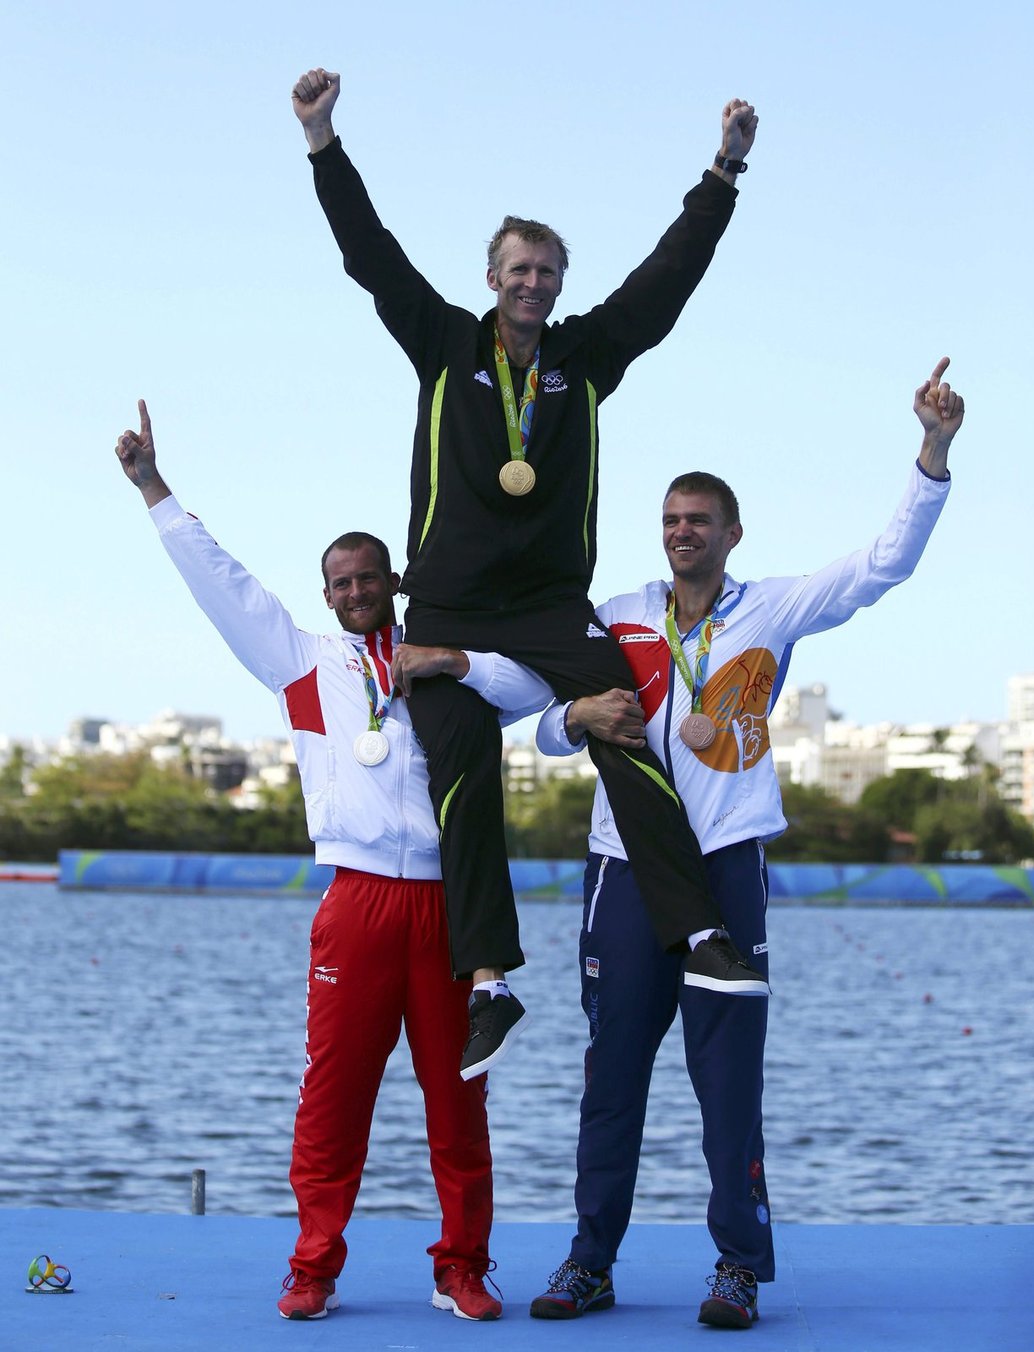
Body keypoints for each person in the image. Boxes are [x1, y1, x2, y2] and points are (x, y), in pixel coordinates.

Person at [292, 69, 766, 1080]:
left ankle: (697, 933)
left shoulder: (587, 358)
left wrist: (723, 172)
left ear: (558, 282)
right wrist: (324, 141)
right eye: (518, 269)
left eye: (548, 271)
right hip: (452, 603)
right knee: (455, 746)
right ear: (493, 274)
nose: (533, 285)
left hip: (550, 606)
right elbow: (370, 256)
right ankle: (491, 982)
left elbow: (666, 280)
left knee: (624, 713)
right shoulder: (440, 342)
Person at [528, 360, 965, 1328]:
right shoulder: (617, 612)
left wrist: (930, 452)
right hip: (626, 872)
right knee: (612, 1076)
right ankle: (589, 1260)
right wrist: (574, 717)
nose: (683, 531)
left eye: (700, 520)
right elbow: (541, 725)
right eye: (672, 519)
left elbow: (881, 564)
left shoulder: (770, 609)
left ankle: (737, 1266)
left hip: (727, 867)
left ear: (732, 534)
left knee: (728, 1079)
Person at [114, 401, 552, 1323]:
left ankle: (462, 1266)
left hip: (444, 909)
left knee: (457, 1097)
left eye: (367, 577)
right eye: (339, 582)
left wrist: (452, 663)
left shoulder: (439, 654)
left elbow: (531, 685)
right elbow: (222, 583)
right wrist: (156, 488)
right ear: (326, 596)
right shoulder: (302, 663)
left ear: (392, 579)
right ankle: (313, 1265)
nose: (355, 591)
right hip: (354, 902)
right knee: (333, 1095)